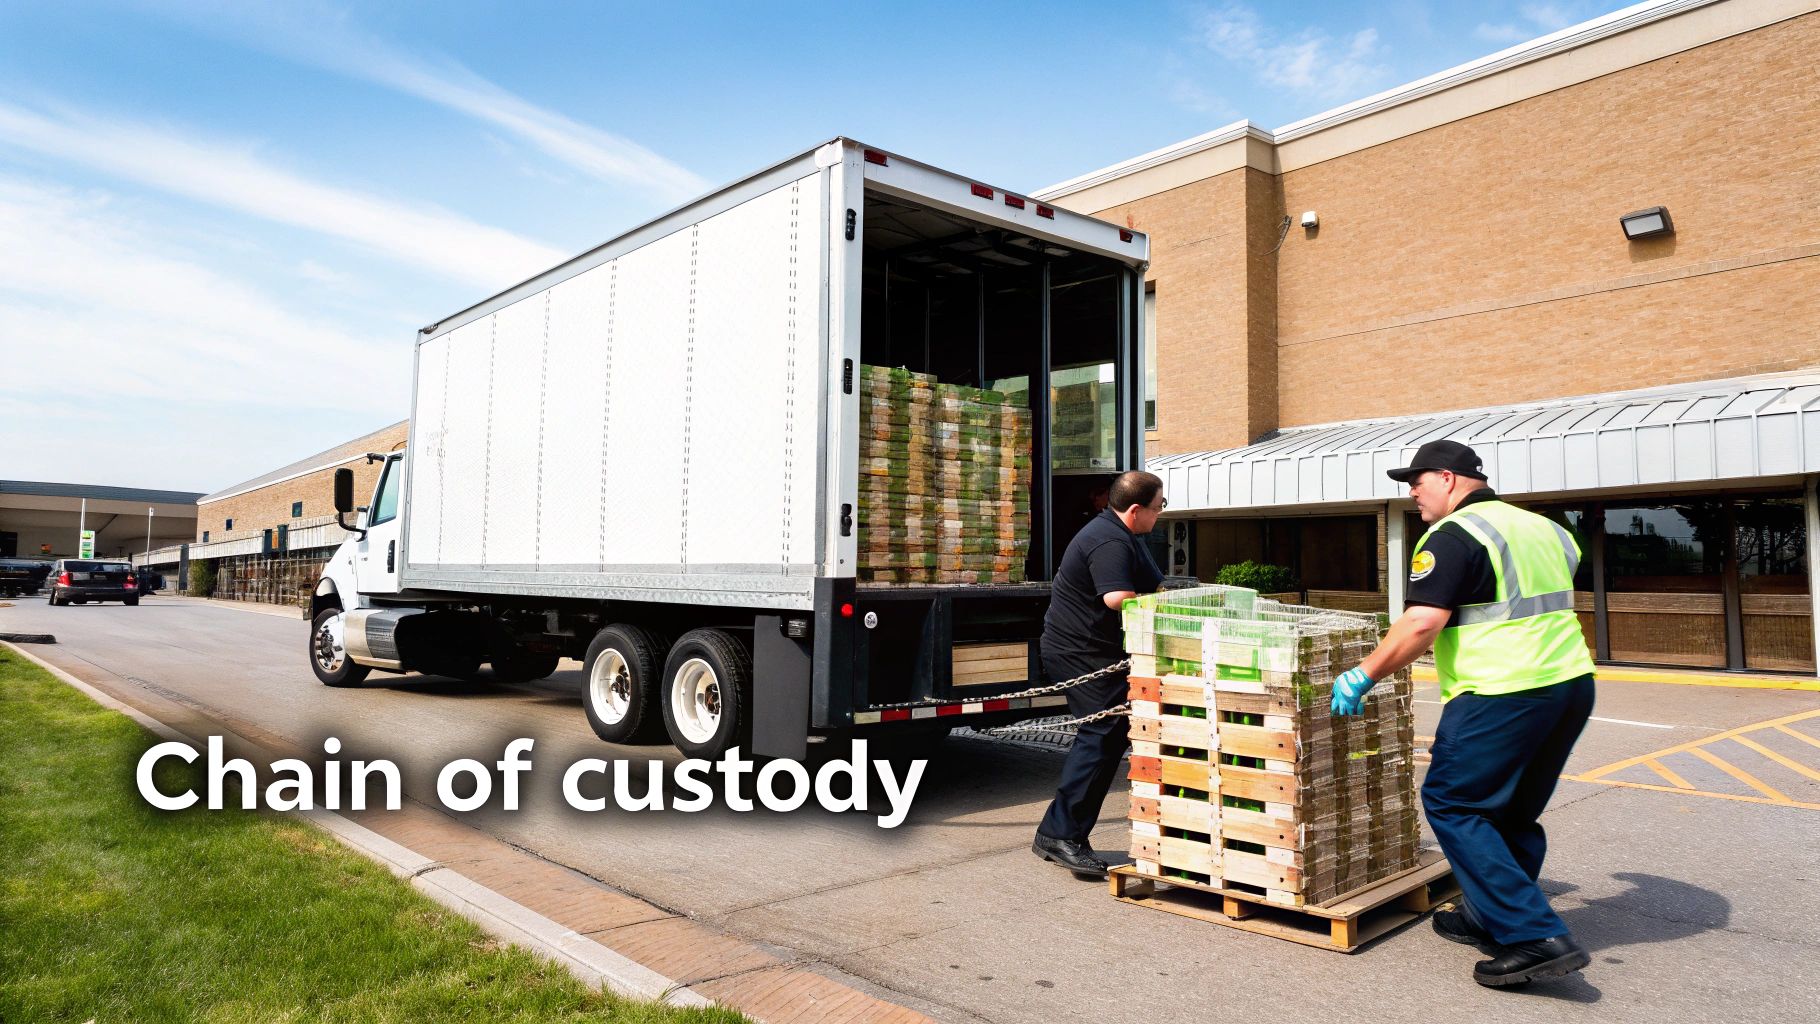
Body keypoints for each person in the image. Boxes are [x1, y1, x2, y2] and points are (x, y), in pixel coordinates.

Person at [1329, 439, 1595, 987]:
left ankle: (1532, 936)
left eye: (1417, 481)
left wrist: (1365, 673)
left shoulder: (1453, 536)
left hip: (1502, 690)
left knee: (1454, 802)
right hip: (1569, 683)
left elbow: (1423, 621)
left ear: (1447, 479)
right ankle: (1489, 914)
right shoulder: (1546, 529)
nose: (1412, 493)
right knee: (1512, 810)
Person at [1033, 470, 1166, 875]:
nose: (1161, 513)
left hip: (1096, 650)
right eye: (1160, 506)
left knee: (1107, 738)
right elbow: (1117, 598)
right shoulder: (1109, 539)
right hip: (1081, 653)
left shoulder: (1124, 534)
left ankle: (1057, 831)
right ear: (1136, 509)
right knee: (1101, 736)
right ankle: (1062, 835)